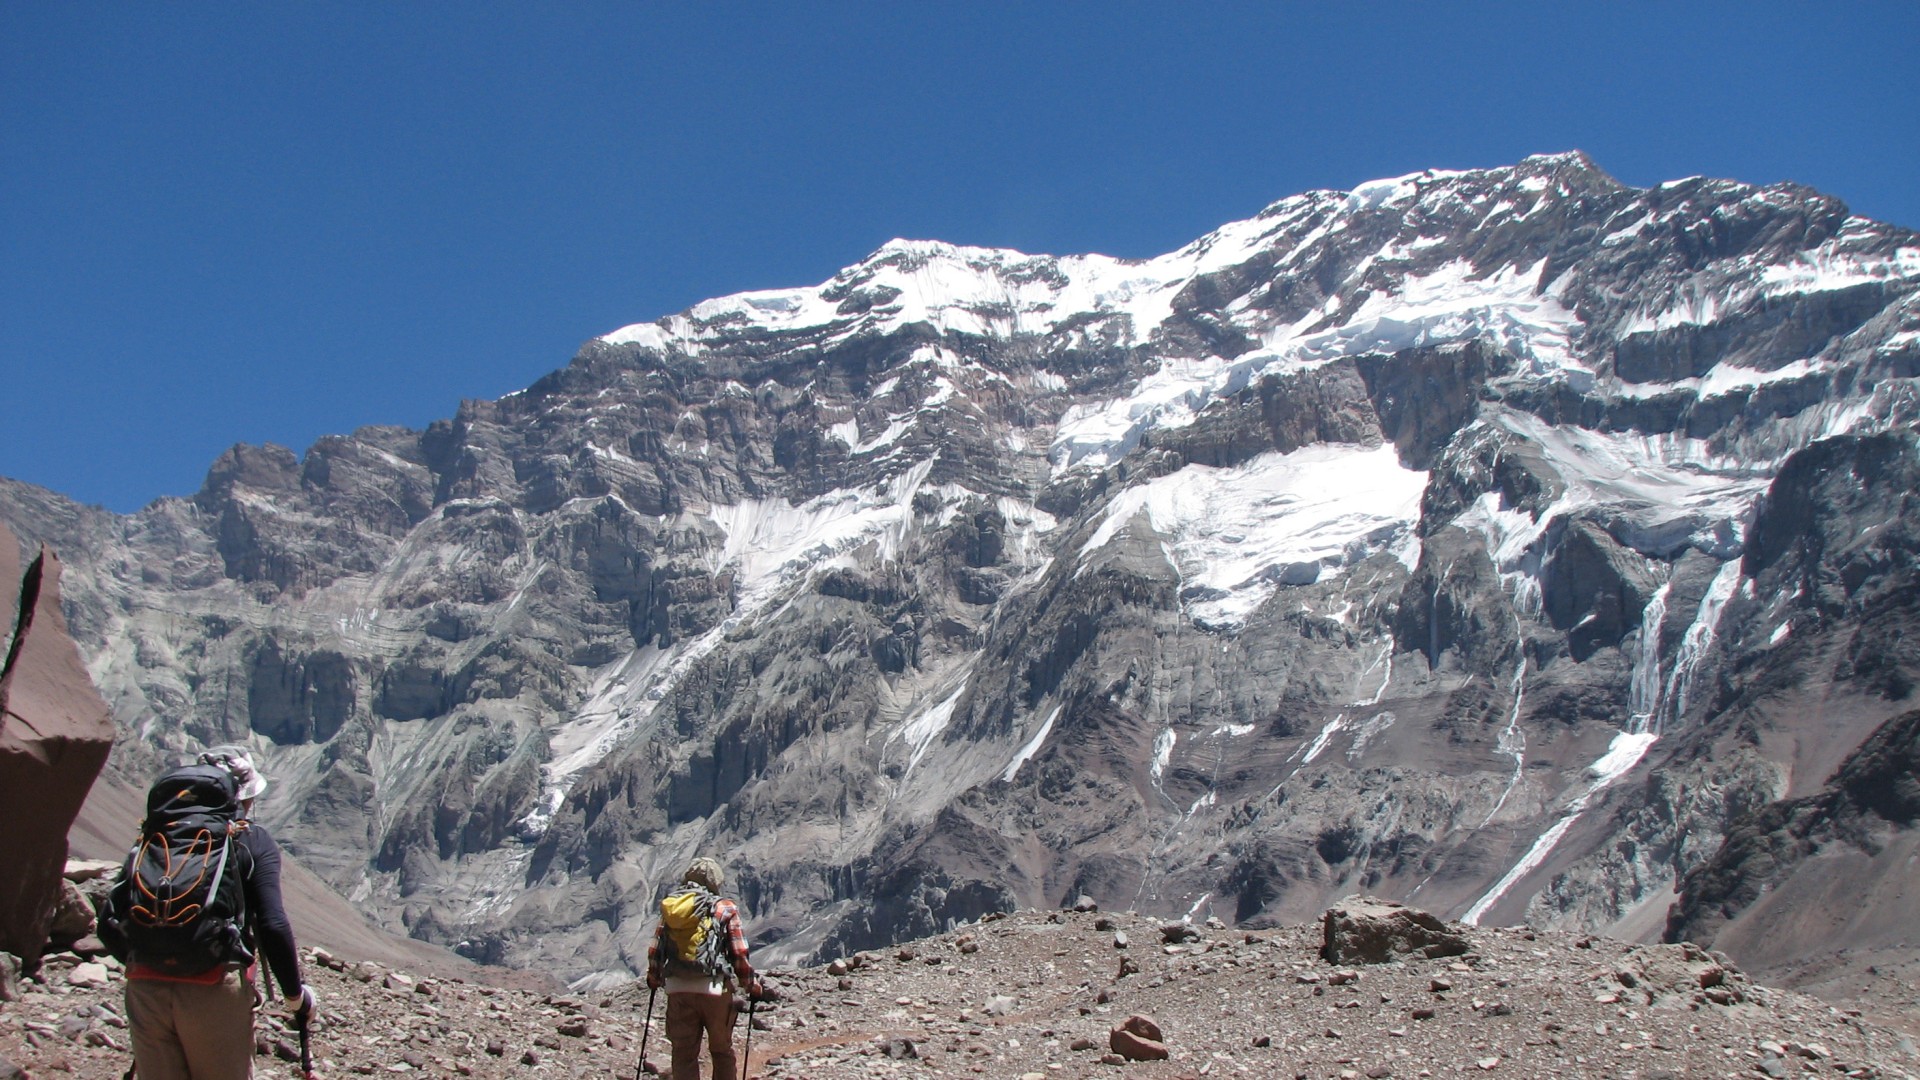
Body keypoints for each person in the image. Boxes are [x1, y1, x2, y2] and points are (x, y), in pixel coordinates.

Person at [119, 745, 316, 1080]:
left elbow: (116, 915)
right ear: (243, 798)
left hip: (144, 987)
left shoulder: (156, 837)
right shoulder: (250, 840)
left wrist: (157, 956)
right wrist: (296, 997)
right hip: (212, 988)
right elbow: (271, 923)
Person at [645, 857, 766, 1080]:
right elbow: (738, 952)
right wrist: (751, 984)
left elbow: (656, 948)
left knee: (683, 1054)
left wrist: (654, 977)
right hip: (714, 989)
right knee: (721, 1050)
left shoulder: (672, 909)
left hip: (678, 989)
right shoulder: (724, 908)